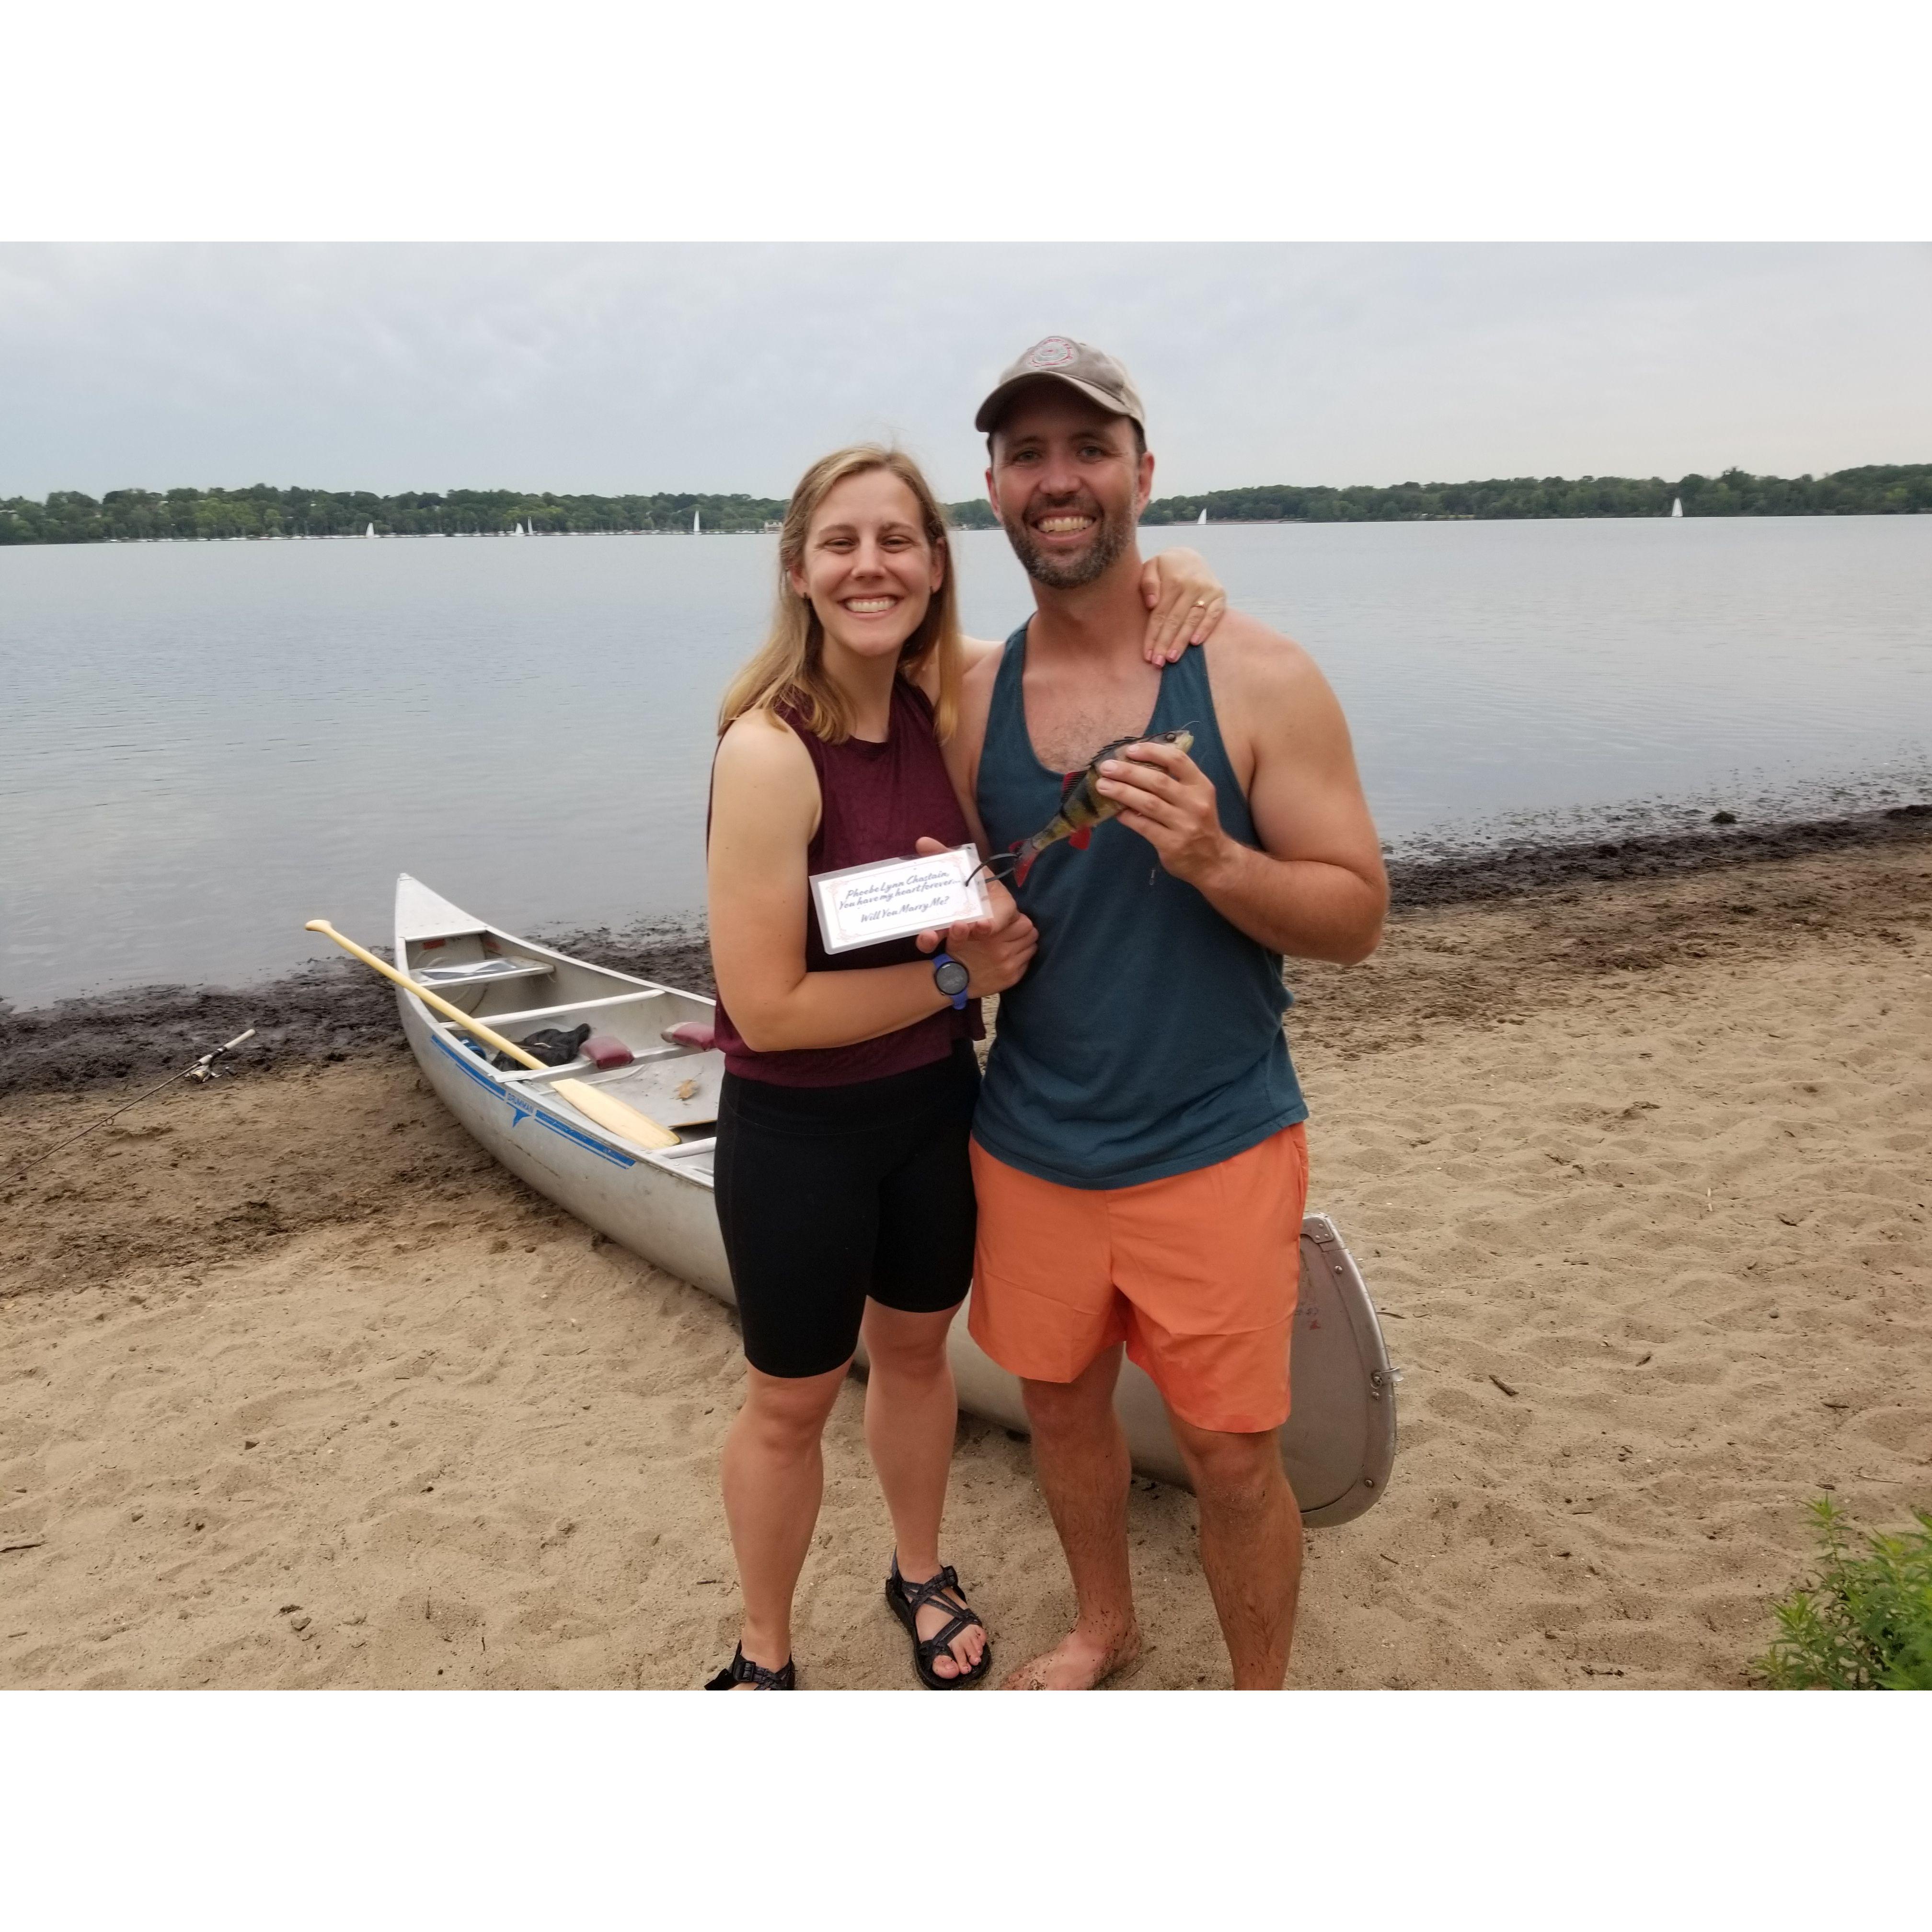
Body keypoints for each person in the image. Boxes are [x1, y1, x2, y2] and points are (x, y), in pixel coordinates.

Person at [702, 441, 1229, 1689]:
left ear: (938, 566)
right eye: (842, 542)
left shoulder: (958, 710)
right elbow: (766, 1009)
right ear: (799, 570)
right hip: (799, 1133)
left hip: (936, 1110)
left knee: (923, 1355)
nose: (870, 565)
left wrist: (1183, 572)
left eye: (898, 540)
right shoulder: (769, 751)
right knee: (790, 1400)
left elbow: (1093, 625)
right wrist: (959, 980)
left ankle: (919, 1569)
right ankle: (764, 1649)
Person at [945, 338, 1389, 1690]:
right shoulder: (967, 699)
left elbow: (1358, 917)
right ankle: (1104, 1627)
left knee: (1231, 1451)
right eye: (1029, 455)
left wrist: (1217, 859)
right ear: (995, 489)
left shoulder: (1259, 677)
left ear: (1145, 473)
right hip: (1031, 1145)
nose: (1058, 480)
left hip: (1215, 1142)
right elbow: (950, 902)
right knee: (1062, 1412)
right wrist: (968, 949)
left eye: (1088, 450)